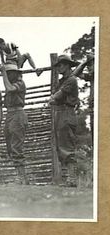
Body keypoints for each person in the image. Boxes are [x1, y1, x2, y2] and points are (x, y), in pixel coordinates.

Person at [48, 54, 80, 187]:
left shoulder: (71, 80)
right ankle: (69, 179)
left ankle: (72, 179)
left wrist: (53, 98)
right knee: (61, 146)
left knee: (66, 145)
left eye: (61, 65)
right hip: (60, 112)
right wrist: (53, 98)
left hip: (67, 112)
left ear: (67, 65)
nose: (59, 68)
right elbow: (55, 97)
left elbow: (57, 96)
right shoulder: (63, 81)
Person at [0, 63, 29, 185]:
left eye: (10, 73)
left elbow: (9, 89)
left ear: (16, 74)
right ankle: (20, 176)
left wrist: (3, 74)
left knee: (17, 146)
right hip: (10, 115)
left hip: (18, 114)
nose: (8, 75)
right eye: (7, 73)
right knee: (10, 147)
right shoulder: (10, 83)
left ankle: (21, 178)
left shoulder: (20, 83)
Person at [72, 53, 95, 141]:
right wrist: (84, 63)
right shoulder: (91, 77)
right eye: (88, 65)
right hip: (93, 107)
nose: (89, 67)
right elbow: (76, 73)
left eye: (91, 64)